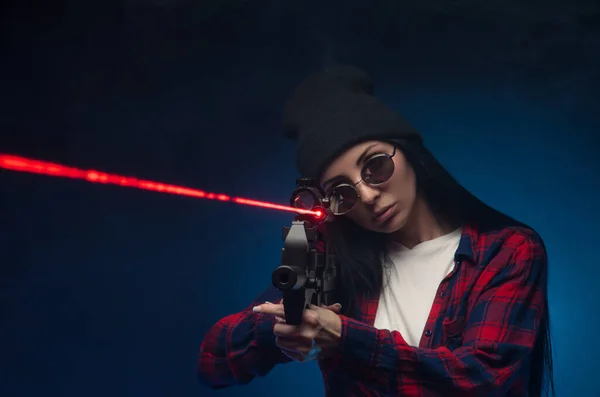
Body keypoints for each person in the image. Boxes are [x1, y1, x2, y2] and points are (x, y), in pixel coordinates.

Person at [197, 64, 555, 397]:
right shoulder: (331, 260)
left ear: (410, 152)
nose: (367, 195)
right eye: (341, 191)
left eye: (376, 166)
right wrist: (286, 326)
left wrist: (343, 338)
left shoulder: (508, 250)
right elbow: (213, 361)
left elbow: (486, 382)